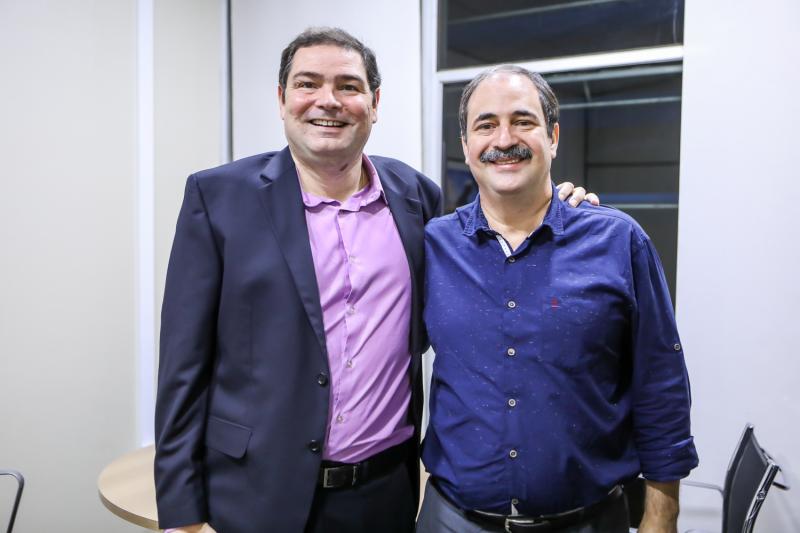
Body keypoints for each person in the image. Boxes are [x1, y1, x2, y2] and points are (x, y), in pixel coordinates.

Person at [154, 29, 592, 533]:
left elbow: (493, 248)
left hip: (384, 495)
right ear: (281, 99)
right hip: (255, 492)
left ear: (374, 103)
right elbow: (183, 369)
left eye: (348, 86)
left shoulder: (417, 197)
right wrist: (182, 515)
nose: (328, 101)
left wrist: (554, 206)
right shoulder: (218, 198)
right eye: (308, 84)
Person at [418, 65, 699, 533]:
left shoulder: (618, 241)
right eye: (486, 125)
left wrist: (661, 515)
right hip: (453, 519)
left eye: (522, 121)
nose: (504, 139)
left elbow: (660, 384)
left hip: (588, 520)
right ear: (465, 145)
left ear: (552, 137)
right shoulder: (433, 246)